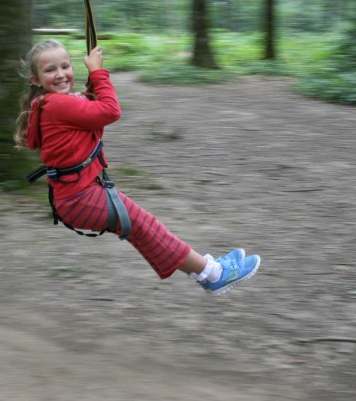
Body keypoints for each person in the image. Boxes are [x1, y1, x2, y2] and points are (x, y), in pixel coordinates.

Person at [15, 40, 260, 295]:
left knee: (144, 229)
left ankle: (208, 270)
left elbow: (90, 107)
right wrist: (98, 73)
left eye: (65, 66)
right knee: (144, 225)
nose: (61, 74)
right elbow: (110, 110)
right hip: (80, 197)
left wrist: (93, 81)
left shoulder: (48, 103)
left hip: (77, 196)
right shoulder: (57, 104)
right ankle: (214, 274)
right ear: (35, 79)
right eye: (50, 70)